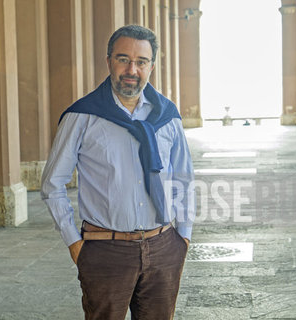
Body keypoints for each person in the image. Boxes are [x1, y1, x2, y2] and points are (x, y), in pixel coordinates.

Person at [41, 24, 195, 320]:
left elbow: (183, 179)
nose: (131, 69)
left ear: (152, 66)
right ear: (108, 60)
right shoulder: (82, 116)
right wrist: (75, 242)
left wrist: (183, 239)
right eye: (123, 59)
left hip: (163, 246)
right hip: (104, 249)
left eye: (141, 62)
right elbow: (52, 184)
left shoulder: (168, 117)